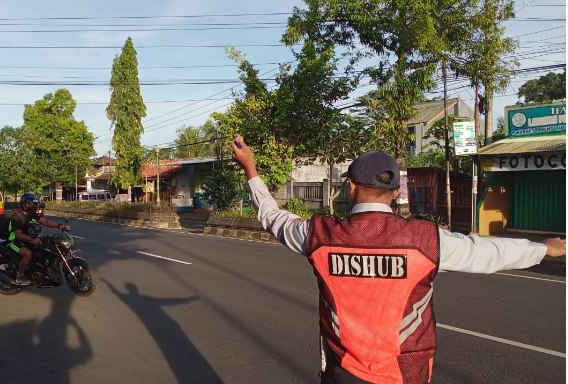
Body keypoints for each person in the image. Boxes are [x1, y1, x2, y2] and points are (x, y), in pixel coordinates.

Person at [230, 135, 566, 384]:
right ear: (395, 194)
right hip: (407, 376)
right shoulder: (425, 240)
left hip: (342, 373)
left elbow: (272, 217)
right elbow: (488, 253)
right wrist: (543, 249)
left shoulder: (319, 235)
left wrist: (251, 169)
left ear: (350, 188)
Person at [0, 192, 70, 286]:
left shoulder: (31, 214)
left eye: (35, 204)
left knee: (44, 247)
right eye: (32, 204)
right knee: (28, 254)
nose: (34, 206)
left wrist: (59, 225)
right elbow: (18, 235)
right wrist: (32, 240)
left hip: (26, 240)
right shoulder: (16, 217)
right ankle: (20, 276)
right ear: (24, 204)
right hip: (13, 242)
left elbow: (44, 221)